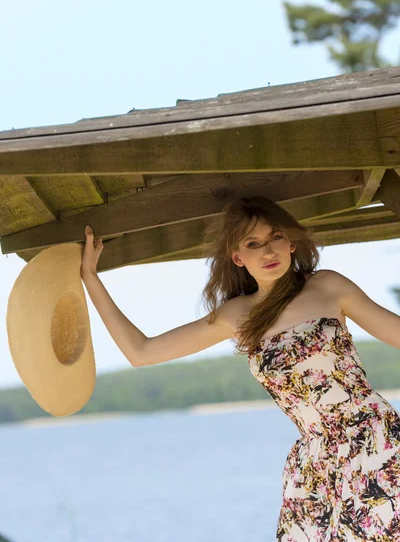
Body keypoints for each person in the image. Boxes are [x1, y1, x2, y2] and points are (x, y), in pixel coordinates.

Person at [81, 195, 400, 540]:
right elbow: (140, 351)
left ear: (291, 243)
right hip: (315, 461)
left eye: (275, 237)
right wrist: (89, 277)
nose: (267, 251)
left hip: (374, 438)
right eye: (253, 244)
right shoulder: (237, 315)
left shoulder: (327, 286)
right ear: (238, 257)